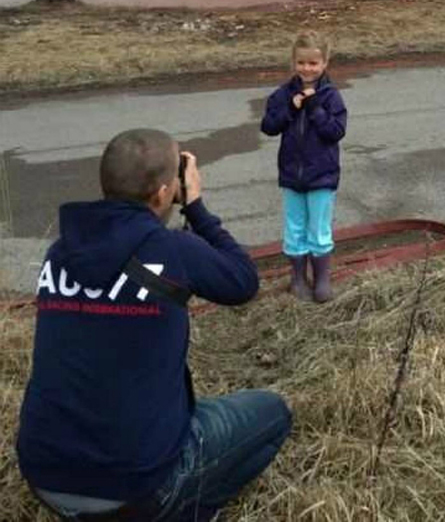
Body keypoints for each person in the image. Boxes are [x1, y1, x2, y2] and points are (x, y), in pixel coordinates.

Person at [16, 128, 292, 522]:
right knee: (274, 414)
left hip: (45, 476)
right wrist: (195, 206)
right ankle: (188, 510)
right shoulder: (172, 250)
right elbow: (243, 282)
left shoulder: (60, 253)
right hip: (139, 489)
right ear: (165, 193)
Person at [261, 30, 347, 304]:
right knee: (294, 228)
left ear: (324, 64)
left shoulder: (331, 97)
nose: (307, 69)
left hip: (322, 176)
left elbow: (336, 131)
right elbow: (268, 126)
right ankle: (298, 277)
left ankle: (322, 279)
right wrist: (290, 108)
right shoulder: (282, 94)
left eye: (313, 63)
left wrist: (314, 109)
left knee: (319, 229)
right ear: (293, 62)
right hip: (291, 177)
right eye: (301, 63)